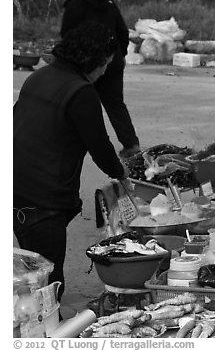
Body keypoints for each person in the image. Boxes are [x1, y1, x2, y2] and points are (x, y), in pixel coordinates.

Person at [13, 21, 129, 301]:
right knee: (48, 286)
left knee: (34, 272)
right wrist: (121, 172)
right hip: (43, 201)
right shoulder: (80, 91)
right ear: (95, 60)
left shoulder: (40, 76)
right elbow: (100, 148)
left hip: (16, 189)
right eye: (105, 65)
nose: (103, 73)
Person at [61, 0, 140, 158]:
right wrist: (118, 55)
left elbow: (67, 36)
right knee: (115, 104)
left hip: (85, 64)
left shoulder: (75, 4)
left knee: (79, 103)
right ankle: (131, 145)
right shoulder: (108, 2)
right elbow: (122, 31)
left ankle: (77, 144)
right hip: (112, 61)